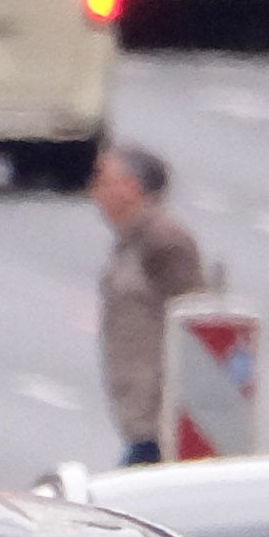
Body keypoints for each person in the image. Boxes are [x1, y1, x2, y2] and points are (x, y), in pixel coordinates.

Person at [96, 145, 217, 461]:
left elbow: (196, 318)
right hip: (140, 411)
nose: (94, 191)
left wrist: (182, 404)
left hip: (161, 413)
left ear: (131, 187)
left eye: (103, 180)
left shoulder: (164, 240)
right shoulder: (131, 239)